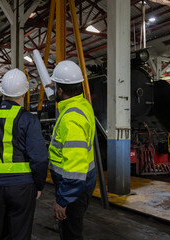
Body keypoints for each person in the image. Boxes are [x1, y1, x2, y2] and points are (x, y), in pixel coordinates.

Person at [0, 68, 48, 240]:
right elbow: (40, 159)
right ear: (24, 93)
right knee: (19, 233)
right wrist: (39, 185)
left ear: (2, 92)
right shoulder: (28, 119)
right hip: (22, 186)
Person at [48, 60, 96, 240]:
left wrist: (62, 200)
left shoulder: (70, 118)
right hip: (83, 182)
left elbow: (75, 168)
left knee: (71, 233)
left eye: (56, 88)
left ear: (60, 91)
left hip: (74, 188)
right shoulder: (83, 105)